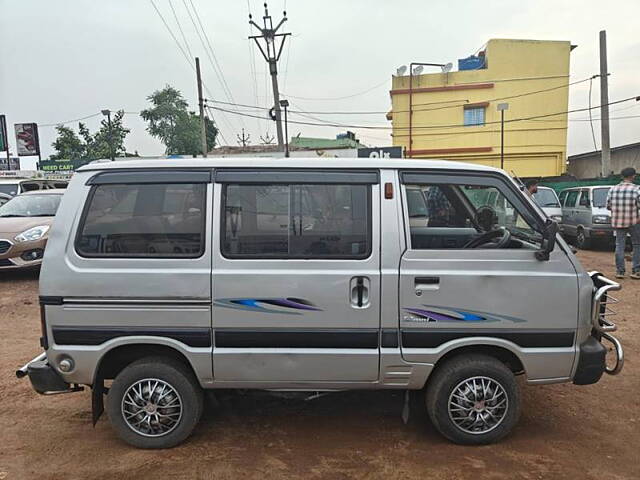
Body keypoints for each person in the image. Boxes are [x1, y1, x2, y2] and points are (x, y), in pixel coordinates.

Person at [606, 167, 640, 279]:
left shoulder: (613, 189)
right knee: (637, 244)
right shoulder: (637, 189)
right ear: (633, 176)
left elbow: (608, 206)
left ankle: (620, 271)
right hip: (634, 220)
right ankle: (636, 270)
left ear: (622, 176)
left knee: (619, 245)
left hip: (619, 221)